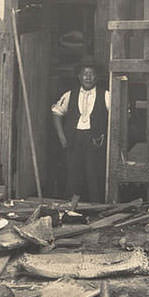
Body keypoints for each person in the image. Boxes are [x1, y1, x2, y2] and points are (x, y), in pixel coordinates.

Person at [51, 61, 110, 203]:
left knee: (93, 173)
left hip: (95, 140)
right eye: (85, 74)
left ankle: (95, 206)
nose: (88, 77)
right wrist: (62, 137)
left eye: (91, 74)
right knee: (73, 172)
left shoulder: (106, 95)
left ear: (97, 77)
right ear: (79, 76)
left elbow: (119, 115)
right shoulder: (70, 94)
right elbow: (56, 113)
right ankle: (70, 208)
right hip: (74, 139)